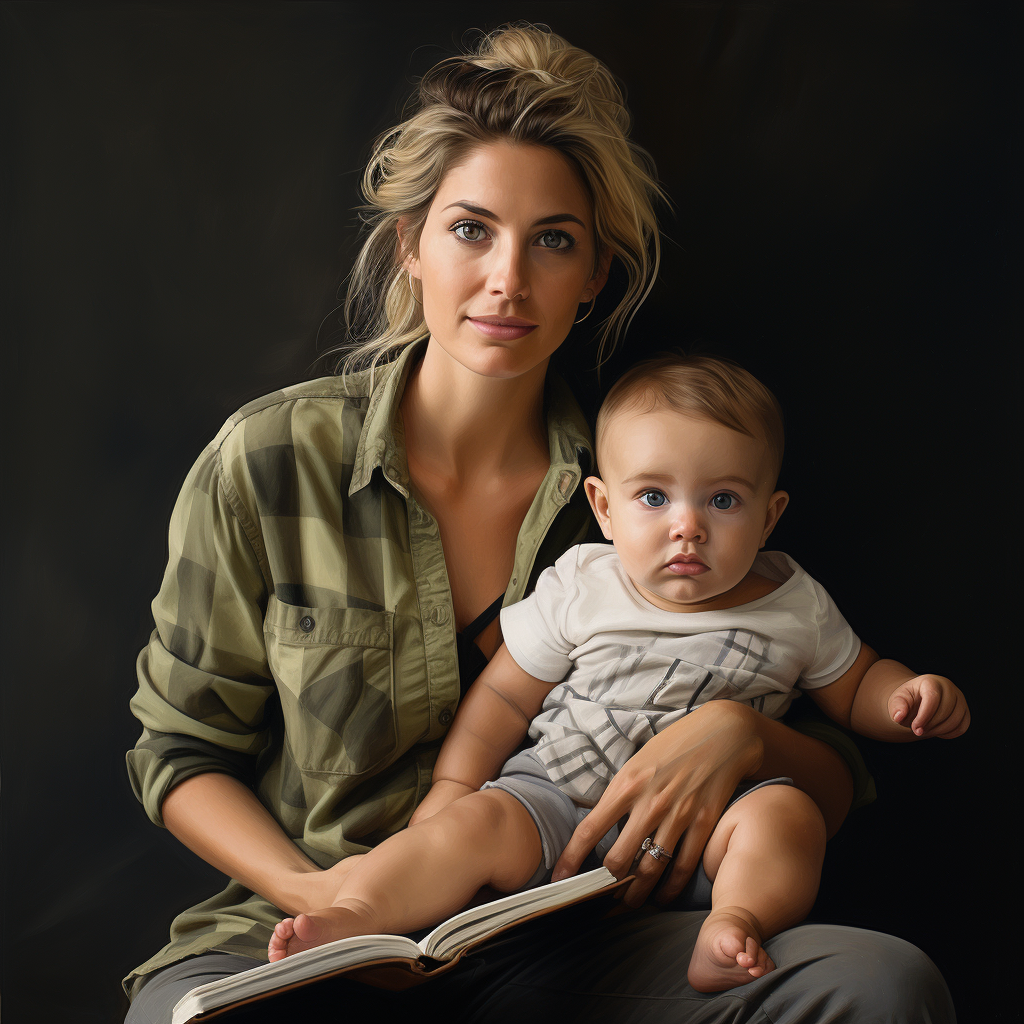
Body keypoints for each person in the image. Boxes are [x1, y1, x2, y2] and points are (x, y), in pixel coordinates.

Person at [124, 24, 956, 1023]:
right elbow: (179, 753)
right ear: (412, 246)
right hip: (300, 932)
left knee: (876, 983)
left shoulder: (659, 484)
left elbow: (831, 779)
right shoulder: (270, 461)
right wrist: (328, 905)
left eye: (552, 240)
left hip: (569, 940)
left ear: (593, 275)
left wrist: (739, 735)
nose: (507, 278)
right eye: (471, 228)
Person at [266, 353, 970, 992]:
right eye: (654, 498)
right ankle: (357, 915)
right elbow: (506, 698)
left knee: (785, 815)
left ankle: (737, 925)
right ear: (604, 508)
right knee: (473, 823)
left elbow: (856, 686)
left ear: (768, 516)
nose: (686, 526)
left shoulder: (794, 603)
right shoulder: (585, 583)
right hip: (555, 802)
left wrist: (907, 697)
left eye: (722, 500)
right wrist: (453, 786)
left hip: (705, 832)